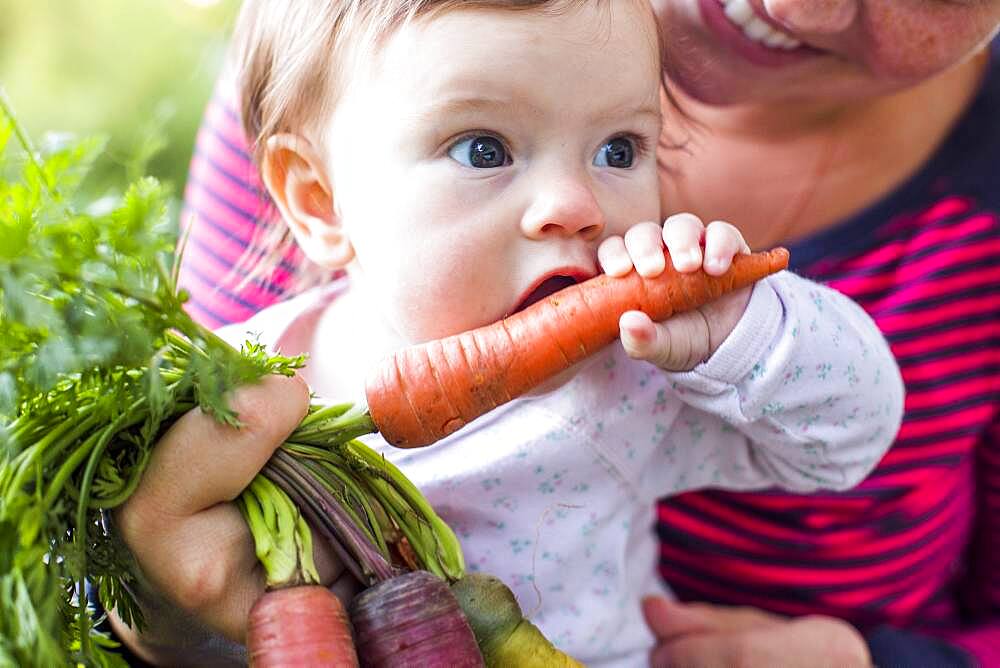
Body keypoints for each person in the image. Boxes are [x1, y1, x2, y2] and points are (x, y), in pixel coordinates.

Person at [102, 0, 908, 666]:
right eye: (483, 148)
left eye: (618, 148)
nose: (575, 203)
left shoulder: (629, 378)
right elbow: (144, 580)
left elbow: (848, 441)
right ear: (319, 200)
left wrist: (744, 329)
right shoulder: (239, 391)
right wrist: (156, 616)